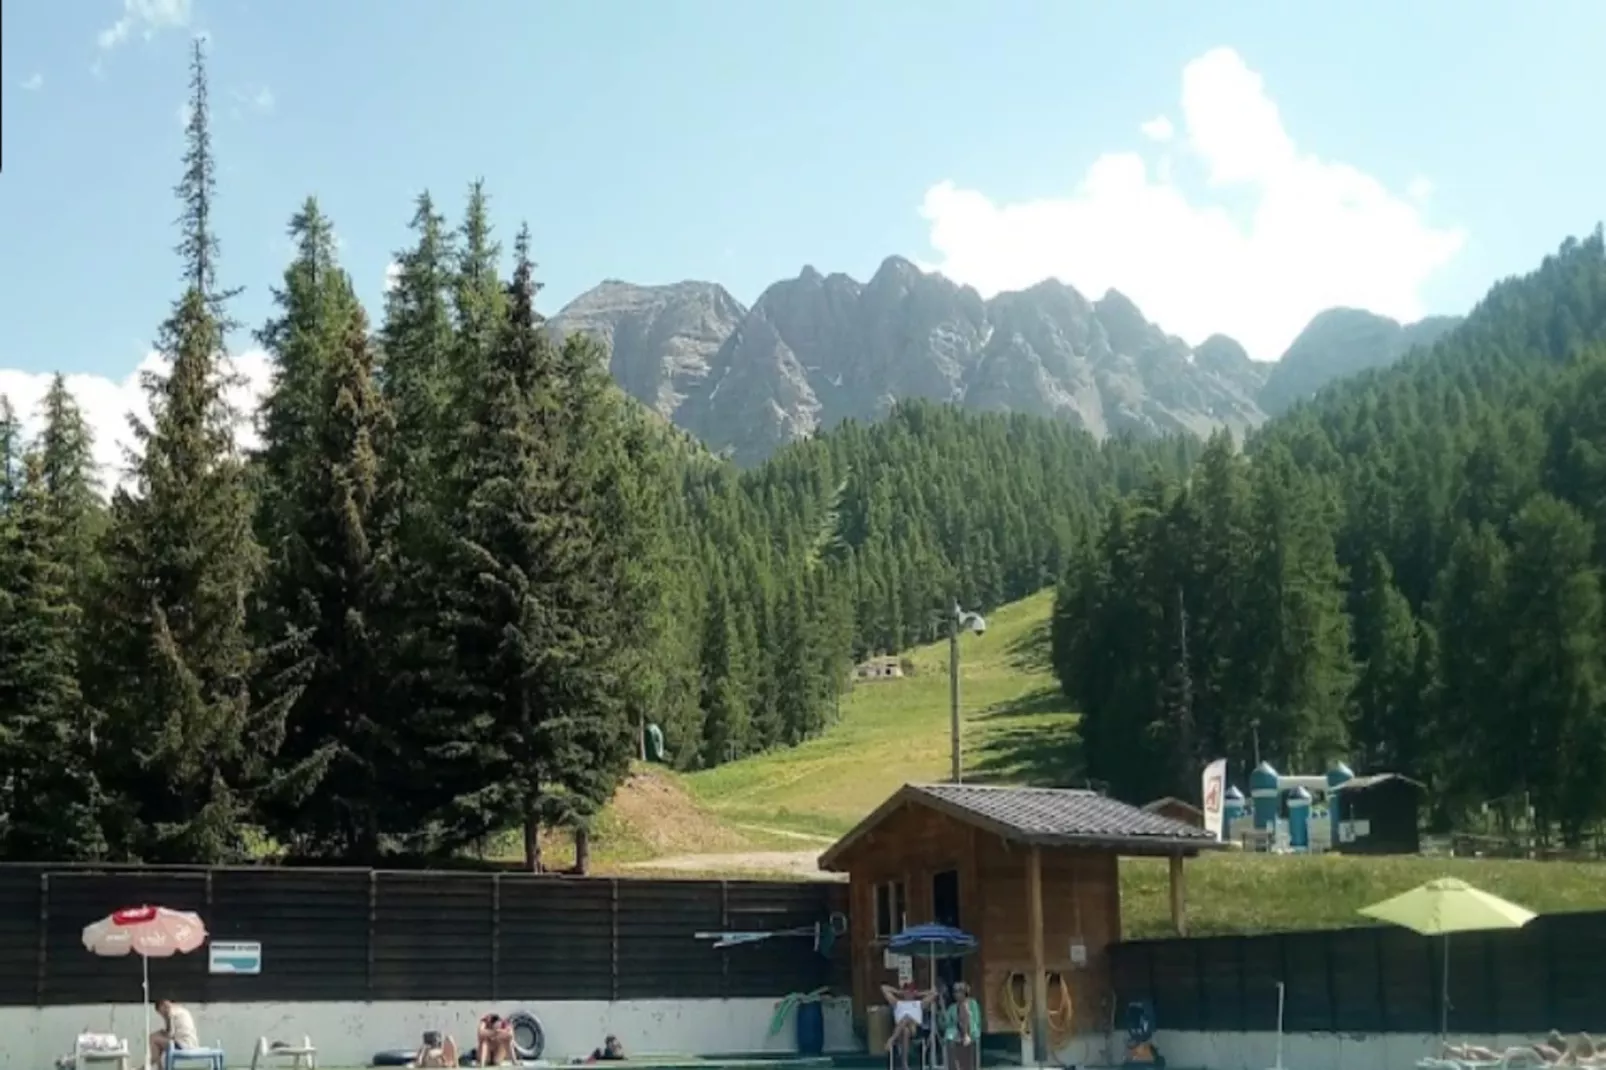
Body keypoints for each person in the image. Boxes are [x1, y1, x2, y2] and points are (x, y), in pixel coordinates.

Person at [880, 981, 935, 1070]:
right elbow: (883, 988)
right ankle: (904, 1064)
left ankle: (891, 1040)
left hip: (915, 1029)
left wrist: (919, 994)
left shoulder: (919, 1004)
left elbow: (934, 993)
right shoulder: (897, 1003)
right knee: (905, 1031)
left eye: (910, 991)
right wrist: (898, 992)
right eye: (906, 991)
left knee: (907, 1018)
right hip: (901, 1031)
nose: (908, 993)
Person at [941, 981, 982, 1070]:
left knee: (964, 1008)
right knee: (950, 1040)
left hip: (970, 1030)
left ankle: (965, 1035)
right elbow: (945, 1023)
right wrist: (942, 1010)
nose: (956, 994)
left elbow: (976, 1020)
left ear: (965, 993)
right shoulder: (952, 1007)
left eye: (959, 991)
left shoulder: (973, 1004)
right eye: (955, 992)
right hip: (956, 1031)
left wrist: (965, 1019)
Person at [150, 999, 200, 1068]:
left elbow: (171, 1034)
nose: (162, 1015)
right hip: (192, 1043)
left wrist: (162, 1033)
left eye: (161, 1013)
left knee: (153, 1039)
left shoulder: (171, 1013)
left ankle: (154, 1063)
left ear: (163, 1006)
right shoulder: (181, 1010)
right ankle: (155, 1063)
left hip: (184, 1045)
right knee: (156, 1038)